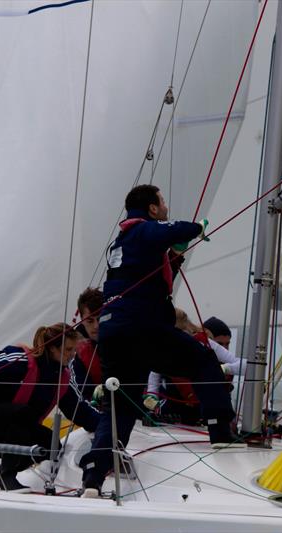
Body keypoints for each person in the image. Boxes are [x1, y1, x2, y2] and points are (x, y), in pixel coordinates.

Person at [79, 184, 239, 498]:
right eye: (162, 202)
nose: (165, 206)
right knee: (203, 359)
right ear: (152, 208)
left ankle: (93, 479)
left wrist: (174, 256)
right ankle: (221, 431)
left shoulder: (120, 243)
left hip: (114, 332)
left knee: (121, 405)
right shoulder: (142, 231)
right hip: (141, 327)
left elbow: (147, 270)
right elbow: (173, 229)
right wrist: (198, 228)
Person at [0, 323, 100, 491]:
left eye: (74, 350)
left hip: (18, 426)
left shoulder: (62, 378)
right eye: (68, 349)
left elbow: (79, 410)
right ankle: (7, 476)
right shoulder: (22, 359)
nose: (73, 355)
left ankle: (8, 468)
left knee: (53, 446)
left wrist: (106, 425)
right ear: (53, 348)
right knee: (23, 413)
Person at [72, 287, 103, 402]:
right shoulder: (74, 348)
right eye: (90, 321)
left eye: (100, 319)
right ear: (81, 319)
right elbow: (82, 393)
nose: (96, 326)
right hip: (96, 408)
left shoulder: (122, 337)